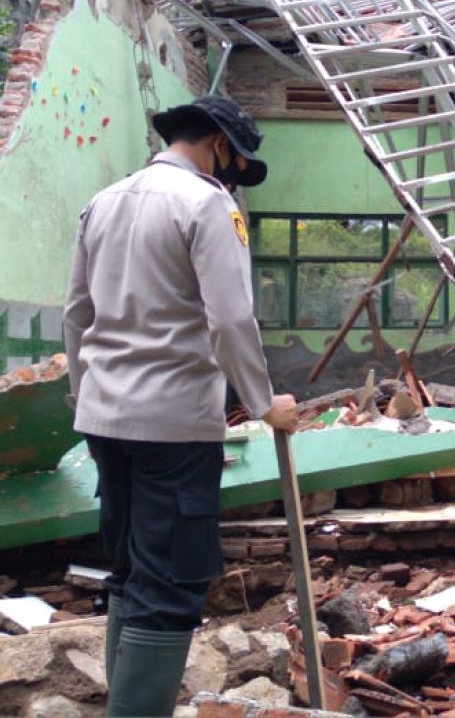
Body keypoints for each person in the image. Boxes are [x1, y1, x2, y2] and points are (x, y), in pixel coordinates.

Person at [63, 95, 299, 717]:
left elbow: (76, 316)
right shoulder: (207, 203)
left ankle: (126, 704)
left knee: (132, 568)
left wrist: (81, 398)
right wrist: (261, 402)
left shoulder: (103, 201)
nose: (234, 180)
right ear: (219, 145)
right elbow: (229, 318)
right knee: (170, 580)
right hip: (172, 422)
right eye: (235, 164)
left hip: (103, 416)